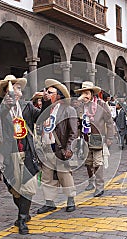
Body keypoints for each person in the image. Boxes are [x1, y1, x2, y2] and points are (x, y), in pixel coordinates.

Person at [0, 75, 40, 235]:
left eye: (18, 88)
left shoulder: (27, 107)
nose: (16, 91)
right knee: (15, 190)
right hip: (9, 155)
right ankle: (23, 212)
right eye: (11, 89)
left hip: (26, 152)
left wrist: (47, 101)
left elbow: (41, 116)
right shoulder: (1, 109)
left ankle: (21, 217)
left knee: (29, 187)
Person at [36, 79, 78, 214]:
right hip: (47, 147)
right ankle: (49, 202)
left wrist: (69, 148)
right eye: (45, 92)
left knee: (64, 175)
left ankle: (71, 199)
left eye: (50, 92)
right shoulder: (46, 110)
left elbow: (73, 132)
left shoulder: (68, 109)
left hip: (60, 147)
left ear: (58, 95)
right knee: (47, 176)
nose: (46, 94)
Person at [75, 82, 113, 197]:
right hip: (85, 138)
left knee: (98, 162)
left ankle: (99, 186)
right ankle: (91, 182)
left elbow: (109, 122)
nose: (85, 96)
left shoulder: (101, 104)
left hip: (98, 138)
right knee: (88, 162)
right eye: (82, 93)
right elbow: (77, 121)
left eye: (87, 93)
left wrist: (109, 137)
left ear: (92, 94)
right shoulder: (81, 106)